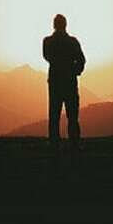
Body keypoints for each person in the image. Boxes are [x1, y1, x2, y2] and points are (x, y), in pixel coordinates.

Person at [42, 14, 86, 152]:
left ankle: (54, 144)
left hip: (55, 81)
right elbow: (81, 60)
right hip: (70, 82)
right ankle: (74, 143)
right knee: (72, 115)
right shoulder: (73, 42)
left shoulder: (48, 41)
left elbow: (47, 57)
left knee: (54, 115)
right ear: (65, 25)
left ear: (54, 25)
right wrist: (75, 71)